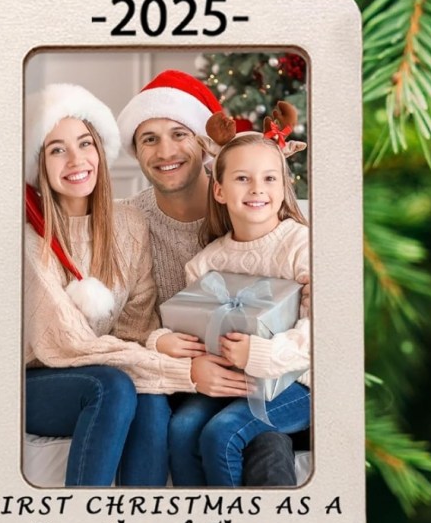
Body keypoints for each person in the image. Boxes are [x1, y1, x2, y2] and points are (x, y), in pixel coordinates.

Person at [116, 71, 301, 485]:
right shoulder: (128, 223)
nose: (166, 151)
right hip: (185, 374)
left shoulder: (255, 215)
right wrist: (176, 357)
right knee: (185, 428)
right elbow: (126, 328)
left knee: (263, 440)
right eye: (149, 138)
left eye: (179, 133)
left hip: (274, 371)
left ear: (203, 144)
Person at [23, 82, 196, 487]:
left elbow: (136, 330)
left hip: (103, 369)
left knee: (152, 397)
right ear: (38, 163)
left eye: (85, 143)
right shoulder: (31, 240)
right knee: (114, 386)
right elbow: (67, 345)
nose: (76, 159)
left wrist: (160, 360)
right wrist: (186, 372)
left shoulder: (129, 226)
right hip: (38, 380)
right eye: (56, 149)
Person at [163, 104, 312, 487]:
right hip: (229, 382)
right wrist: (167, 345)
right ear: (219, 189)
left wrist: (260, 355)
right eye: (243, 178)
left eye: (269, 178)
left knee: (221, 434)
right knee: (181, 428)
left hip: (297, 383)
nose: (258, 189)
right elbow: (187, 328)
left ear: (284, 186)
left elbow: (325, 332)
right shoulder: (205, 264)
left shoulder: (302, 247)